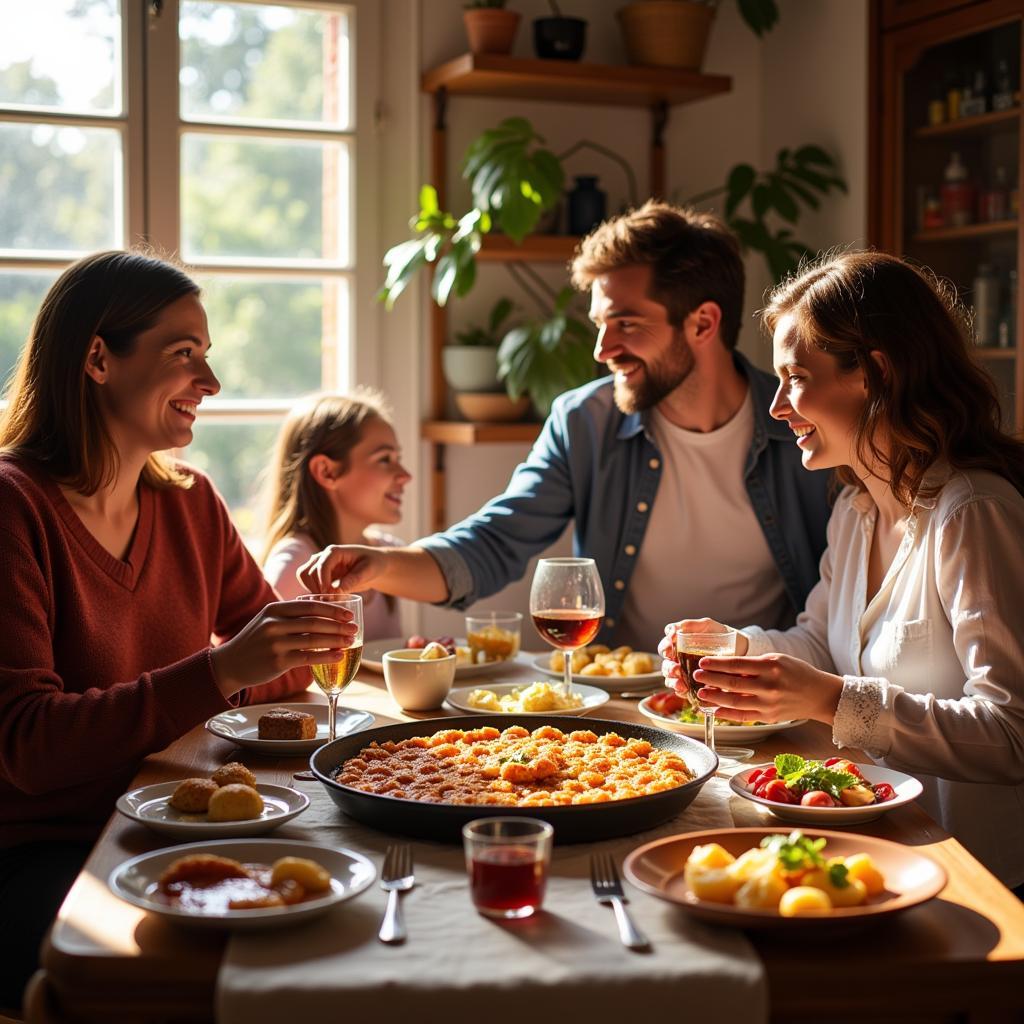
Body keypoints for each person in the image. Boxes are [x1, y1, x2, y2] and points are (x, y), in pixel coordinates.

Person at [0, 250, 357, 1009]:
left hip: (172, 818)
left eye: (208, 356)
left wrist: (303, 642)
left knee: (343, 921)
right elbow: (26, 746)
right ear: (98, 358)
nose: (212, 383)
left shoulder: (190, 503)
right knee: (213, 973)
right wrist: (222, 671)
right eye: (184, 354)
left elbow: (282, 668)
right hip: (43, 850)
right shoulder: (13, 510)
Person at [301, 201, 832, 650]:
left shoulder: (807, 427)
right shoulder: (584, 422)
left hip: (762, 703)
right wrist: (379, 567)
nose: (603, 350)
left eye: (626, 323)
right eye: (600, 324)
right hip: (625, 704)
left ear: (703, 323)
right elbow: (494, 542)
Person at [660, 250, 1024, 891]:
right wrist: (740, 652)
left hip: (976, 875)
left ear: (876, 374)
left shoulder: (973, 513)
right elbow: (822, 642)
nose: (776, 406)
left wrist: (828, 699)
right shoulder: (857, 507)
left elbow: (1011, 732)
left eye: (794, 377)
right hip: (884, 851)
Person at [259, 390, 411, 640]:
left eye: (398, 458)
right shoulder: (294, 565)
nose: (405, 475)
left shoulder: (388, 551)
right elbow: (267, 669)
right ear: (327, 472)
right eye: (385, 459)